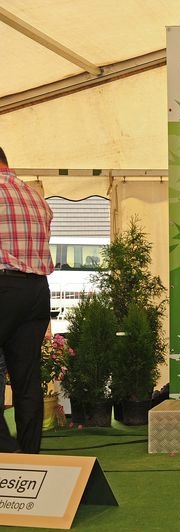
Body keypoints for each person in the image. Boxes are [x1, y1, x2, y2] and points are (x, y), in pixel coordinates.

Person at [0, 146, 54, 453]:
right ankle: (30, 457)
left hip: (4, 286)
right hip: (37, 290)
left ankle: (6, 448)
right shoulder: (35, 197)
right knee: (27, 378)